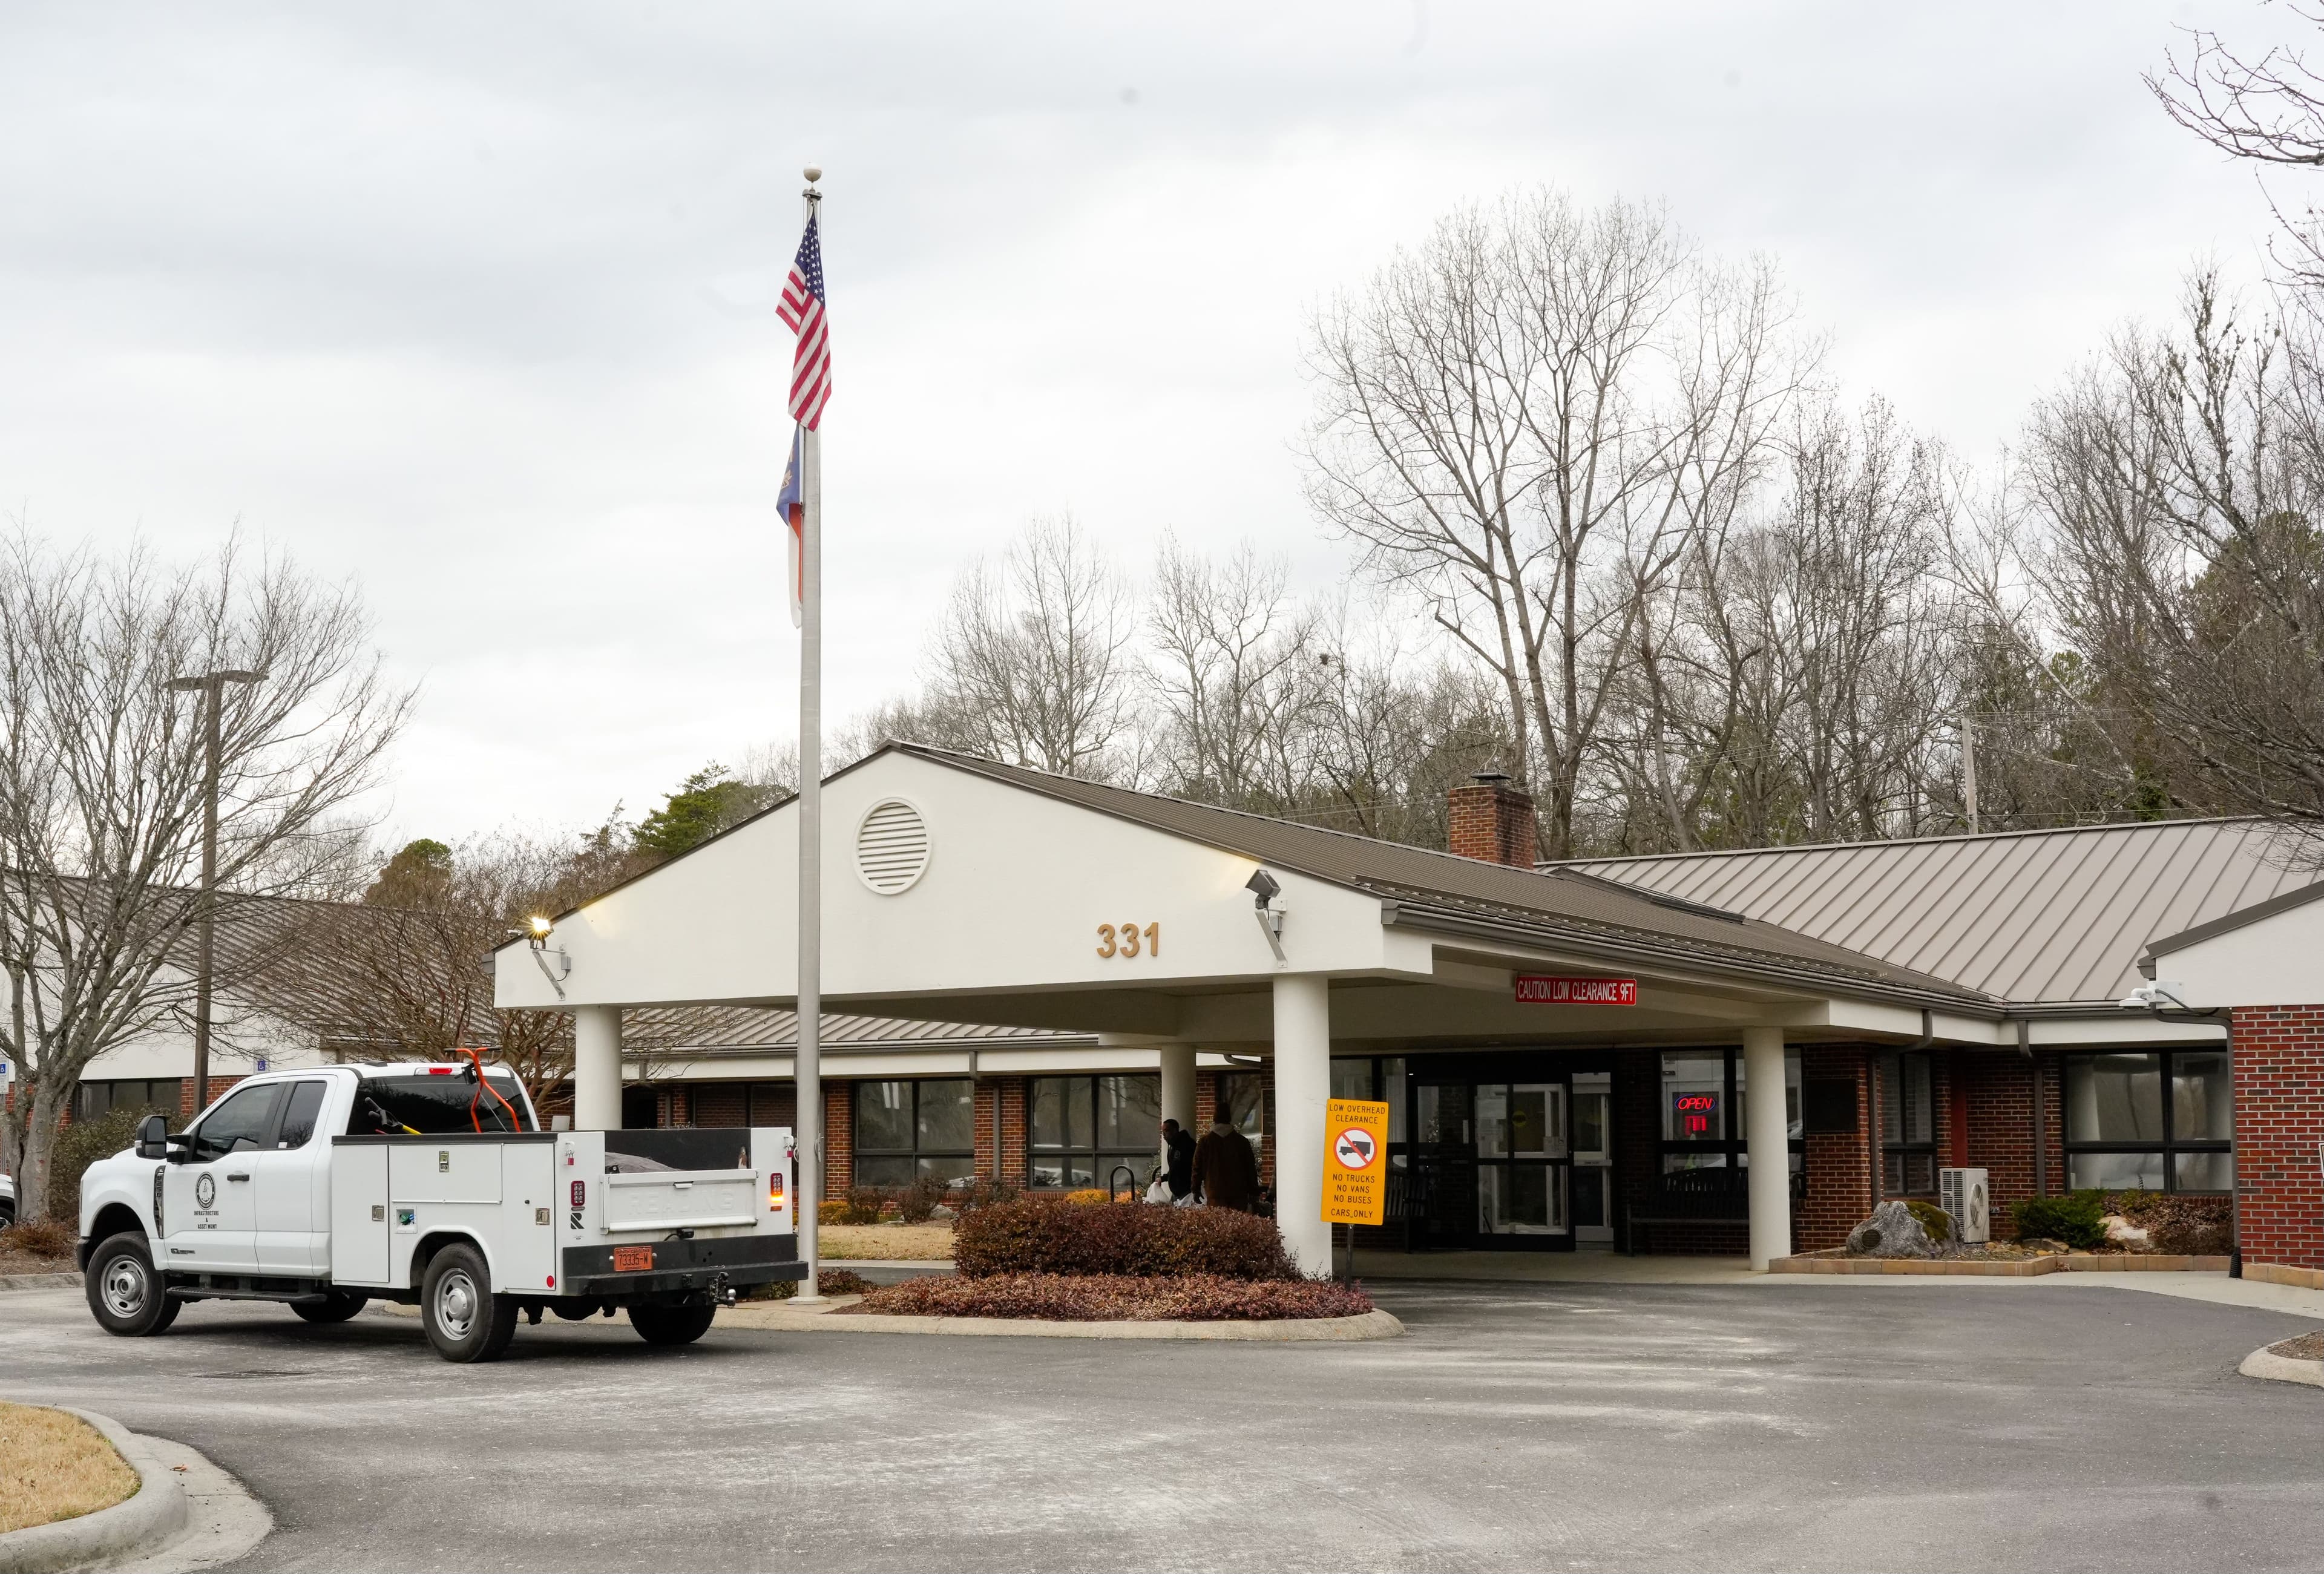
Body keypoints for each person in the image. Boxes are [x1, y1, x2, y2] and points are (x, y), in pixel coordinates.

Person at [1192, 1117, 1258, 1212]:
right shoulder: (1241, 1141)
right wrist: (1254, 1191)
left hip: (1215, 1192)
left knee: (1218, 1223)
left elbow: (1197, 1168)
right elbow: (1251, 1168)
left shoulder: (1205, 1142)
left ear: (1214, 1120)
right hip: (1238, 1192)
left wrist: (1196, 1189)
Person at [1161, 1118, 1196, 1201]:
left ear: (1174, 1130)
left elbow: (1182, 1168)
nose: (1164, 1135)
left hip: (1186, 1191)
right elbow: (1174, 1168)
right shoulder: (1173, 1146)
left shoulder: (1187, 1145)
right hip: (1178, 1192)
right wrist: (1163, 1178)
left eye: (1166, 1131)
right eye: (1163, 1132)